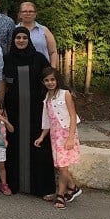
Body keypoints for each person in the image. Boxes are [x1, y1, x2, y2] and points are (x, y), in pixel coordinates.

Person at [3, 27, 54, 197]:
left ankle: (41, 187)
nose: (21, 40)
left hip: (36, 111)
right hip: (14, 110)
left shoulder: (39, 58)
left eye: (25, 37)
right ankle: (14, 183)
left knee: (38, 145)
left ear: (29, 40)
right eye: (18, 37)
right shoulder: (7, 59)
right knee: (14, 145)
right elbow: (4, 82)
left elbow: (50, 79)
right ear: (13, 40)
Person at [34, 68, 82, 210]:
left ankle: (60, 194)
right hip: (55, 136)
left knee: (62, 166)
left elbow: (73, 116)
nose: (50, 82)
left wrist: (70, 138)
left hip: (66, 134)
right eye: (47, 80)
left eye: (52, 79)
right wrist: (42, 137)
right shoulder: (47, 99)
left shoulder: (65, 94)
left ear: (57, 80)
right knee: (60, 165)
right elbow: (47, 121)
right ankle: (72, 187)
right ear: (43, 82)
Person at [16, 2, 59, 67]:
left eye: (31, 11)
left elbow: (53, 52)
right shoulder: (14, 30)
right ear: (20, 14)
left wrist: (52, 70)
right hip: (22, 69)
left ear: (35, 14)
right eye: (24, 11)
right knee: (23, 77)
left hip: (42, 70)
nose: (28, 14)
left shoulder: (44, 30)